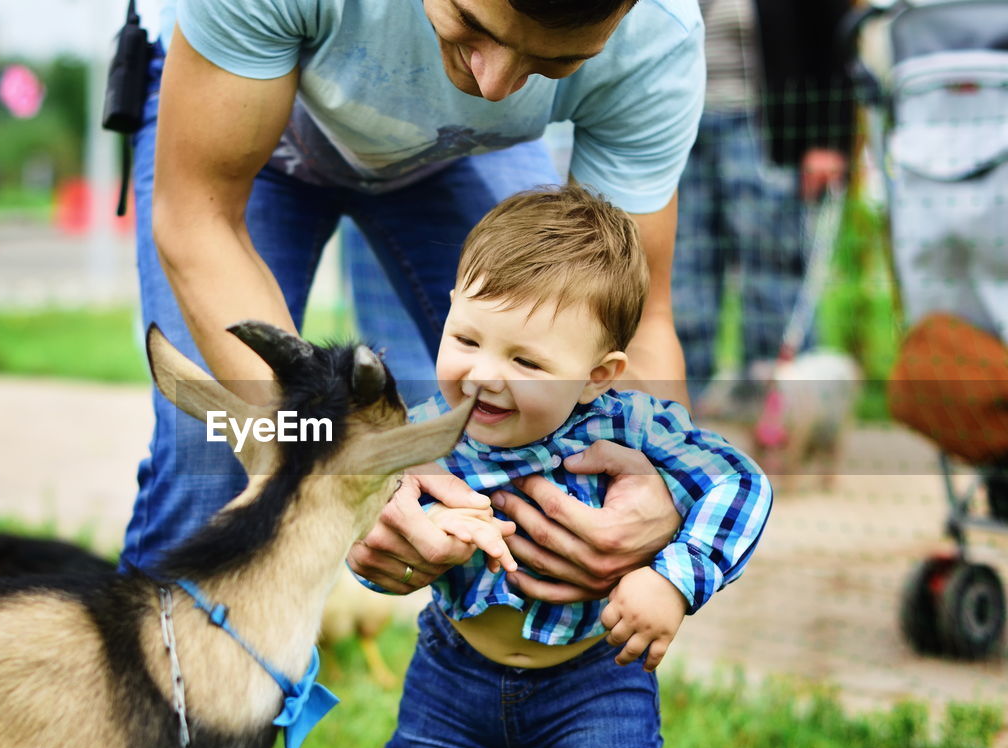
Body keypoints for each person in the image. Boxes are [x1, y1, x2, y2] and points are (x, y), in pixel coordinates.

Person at [122, 0, 708, 602]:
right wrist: (338, 465)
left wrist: (660, 481)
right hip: (249, 118)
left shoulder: (655, 38)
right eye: (473, 24)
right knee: (214, 448)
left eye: (553, 62)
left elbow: (628, 328)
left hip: (459, 150)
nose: (495, 87)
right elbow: (199, 220)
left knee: (550, 384)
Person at [373, 185, 772, 748]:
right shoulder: (425, 437)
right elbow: (370, 509)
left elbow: (739, 484)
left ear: (597, 376)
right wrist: (395, 523)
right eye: (466, 338)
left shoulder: (630, 425)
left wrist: (673, 579)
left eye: (525, 360)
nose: (483, 375)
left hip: (596, 677)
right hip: (454, 671)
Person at [672, 0, 856, 400]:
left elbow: (836, 40)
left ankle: (781, 417)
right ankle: (681, 413)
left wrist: (829, 139)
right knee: (681, 277)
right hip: (678, 127)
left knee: (773, 279)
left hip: (764, 127)